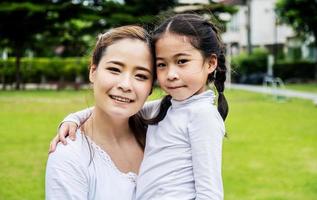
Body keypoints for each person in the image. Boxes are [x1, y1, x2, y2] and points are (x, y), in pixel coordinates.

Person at [50, 13, 229, 200]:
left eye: (182, 61)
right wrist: (73, 119)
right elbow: (119, 108)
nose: (171, 74)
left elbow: (210, 193)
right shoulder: (167, 107)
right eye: (161, 64)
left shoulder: (203, 115)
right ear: (93, 71)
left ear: (210, 63)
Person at [45, 25, 155, 200]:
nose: (125, 85)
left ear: (151, 87)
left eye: (141, 75)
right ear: (93, 72)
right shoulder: (69, 156)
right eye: (114, 69)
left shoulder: (160, 132)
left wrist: (74, 118)